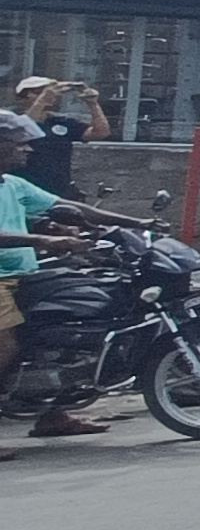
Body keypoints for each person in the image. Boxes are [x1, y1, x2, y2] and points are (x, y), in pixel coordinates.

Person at [0, 111, 164, 453]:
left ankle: (53, 415)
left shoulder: (13, 185)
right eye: (19, 145)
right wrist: (44, 241)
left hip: (26, 276)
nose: (27, 151)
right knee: (6, 348)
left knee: (65, 331)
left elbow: (71, 206)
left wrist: (136, 223)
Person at [10, 75, 107, 199]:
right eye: (38, 92)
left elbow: (99, 133)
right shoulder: (10, 120)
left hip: (58, 190)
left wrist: (93, 104)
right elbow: (23, 129)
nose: (50, 95)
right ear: (24, 97)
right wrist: (42, 100)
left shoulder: (61, 122)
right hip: (21, 189)